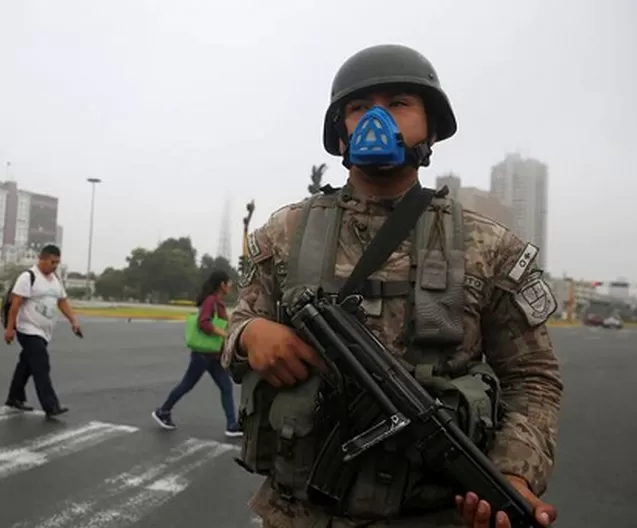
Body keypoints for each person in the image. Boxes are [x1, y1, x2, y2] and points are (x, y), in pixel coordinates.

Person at [222, 44, 563, 528]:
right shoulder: (285, 233)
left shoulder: (490, 247)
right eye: (360, 107)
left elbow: (533, 377)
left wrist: (515, 471)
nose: (376, 119)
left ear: (432, 125)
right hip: (294, 515)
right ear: (339, 133)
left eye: (399, 103)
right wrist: (252, 335)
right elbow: (235, 328)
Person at [151, 270, 243, 438]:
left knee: (226, 387)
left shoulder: (217, 302)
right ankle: (163, 411)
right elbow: (204, 323)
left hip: (214, 355)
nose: (231, 285)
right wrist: (225, 335)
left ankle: (232, 425)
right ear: (221, 284)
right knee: (186, 385)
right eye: (228, 282)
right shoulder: (211, 301)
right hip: (202, 355)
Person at [3, 244, 79, 418]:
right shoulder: (28, 277)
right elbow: (15, 305)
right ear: (42, 259)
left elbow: (62, 301)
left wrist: (73, 320)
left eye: (57, 263)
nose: (55, 266)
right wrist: (10, 329)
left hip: (44, 332)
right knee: (41, 364)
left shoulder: (55, 279)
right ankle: (50, 405)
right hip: (28, 329)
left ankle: (14, 397)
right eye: (52, 262)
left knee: (26, 364)